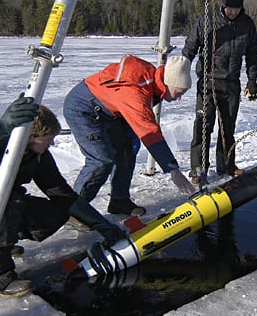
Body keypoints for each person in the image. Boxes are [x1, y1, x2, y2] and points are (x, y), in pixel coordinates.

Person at [0, 97, 127, 297]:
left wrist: (101, 225)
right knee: (6, 202)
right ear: (32, 136)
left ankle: (3, 240)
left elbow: (61, 194)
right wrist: (2, 129)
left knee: (55, 213)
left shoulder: (38, 154)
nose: (52, 143)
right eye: (48, 139)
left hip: (3, 202)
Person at [63, 55, 196, 217]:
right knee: (101, 160)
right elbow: (149, 131)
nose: (179, 98)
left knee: (127, 148)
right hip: (83, 108)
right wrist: (173, 170)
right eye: (179, 92)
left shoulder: (153, 81)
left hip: (109, 110)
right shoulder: (136, 93)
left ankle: (119, 200)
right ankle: (75, 211)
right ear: (169, 83)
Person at [182, 0, 257, 185]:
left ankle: (226, 165)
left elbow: (252, 54)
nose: (232, 12)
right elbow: (190, 47)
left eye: (236, 8)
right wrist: (181, 70)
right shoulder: (207, 21)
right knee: (203, 126)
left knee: (228, 128)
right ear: (223, 5)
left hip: (231, 83)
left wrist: (252, 81)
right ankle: (198, 169)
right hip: (208, 83)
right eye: (229, 8)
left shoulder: (247, 24)